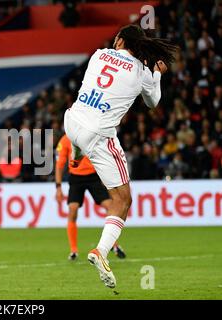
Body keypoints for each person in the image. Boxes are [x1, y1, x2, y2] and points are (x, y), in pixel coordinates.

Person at [64, 24, 177, 288]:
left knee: (81, 134)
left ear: (120, 40)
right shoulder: (141, 72)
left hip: (71, 121)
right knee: (123, 200)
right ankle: (100, 252)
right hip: (98, 134)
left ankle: (77, 153)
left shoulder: (97, 54)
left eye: (117, 37)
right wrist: (157, 74)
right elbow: (153, 103)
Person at [55, 134, 126, 261]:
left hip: (93, 176)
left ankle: (113, 245)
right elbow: (59, 165)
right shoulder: (65, 140)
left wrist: (106, 177)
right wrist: (58, 187)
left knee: (110, 206)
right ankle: (73, 250)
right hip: (76, 178)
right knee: (73, 209)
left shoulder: (90, 134)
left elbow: (102, 156)